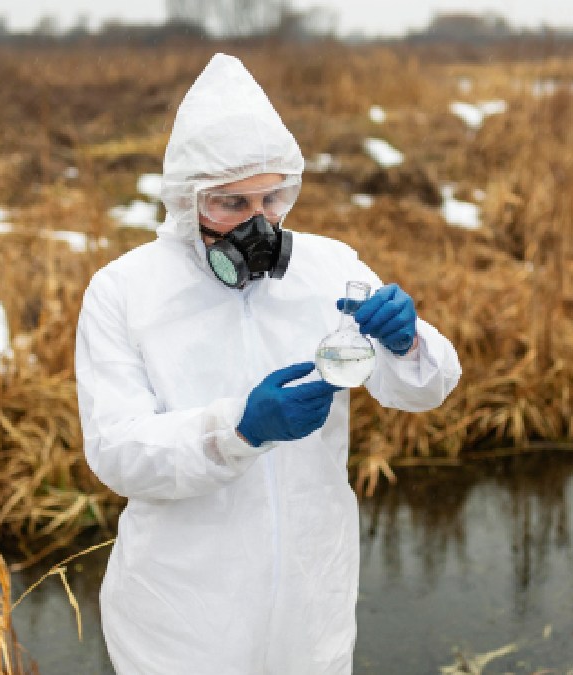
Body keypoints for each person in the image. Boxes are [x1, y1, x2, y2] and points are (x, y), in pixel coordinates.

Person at [74, 53, 461, 675]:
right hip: (182, 613)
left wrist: (410, 342)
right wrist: (237, 431)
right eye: (229, 204)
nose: (259, 224)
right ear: (184, 199)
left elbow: (421, 390)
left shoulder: (327, 266)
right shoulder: (125, 291)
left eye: (273, 197)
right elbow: (118, 453)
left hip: (312, 599)